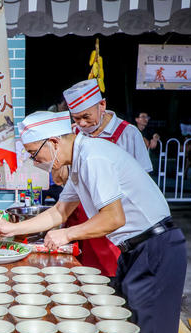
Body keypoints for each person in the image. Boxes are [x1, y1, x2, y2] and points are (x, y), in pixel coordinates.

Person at [0, 110, 187, 333]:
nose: (35, 161)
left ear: (52, 142)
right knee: (130, 332)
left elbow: (114, 218)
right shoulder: (78, 163)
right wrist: (12, 228)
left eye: (34, 154)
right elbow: (59, 212)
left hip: (156, 247)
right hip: (134, 250)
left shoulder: (93, 156)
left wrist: (68, 234)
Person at [61, 79, 152, 277]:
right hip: (79, 217)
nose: (82, 124)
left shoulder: (128, 133)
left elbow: (143, 181)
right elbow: (66, 181)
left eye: (86, 116)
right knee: (77, 275)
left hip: (114, 220)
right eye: (76, 119)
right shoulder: (73, 133)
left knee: (110, 280)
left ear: (102, 105)